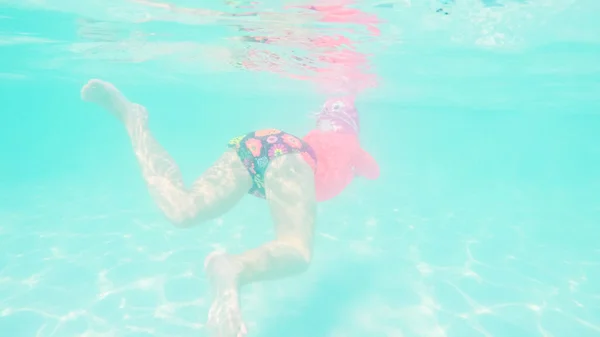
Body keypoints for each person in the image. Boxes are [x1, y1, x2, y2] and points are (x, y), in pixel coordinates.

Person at [80, 79, 379, 337]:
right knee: (297, 252)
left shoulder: (317, 136)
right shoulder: (352, 146)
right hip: (289, 158)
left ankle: (134, 122)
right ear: (353, 128)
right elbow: (373, 171)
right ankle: (233, 268)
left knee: (182, 210)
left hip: (260, 142)